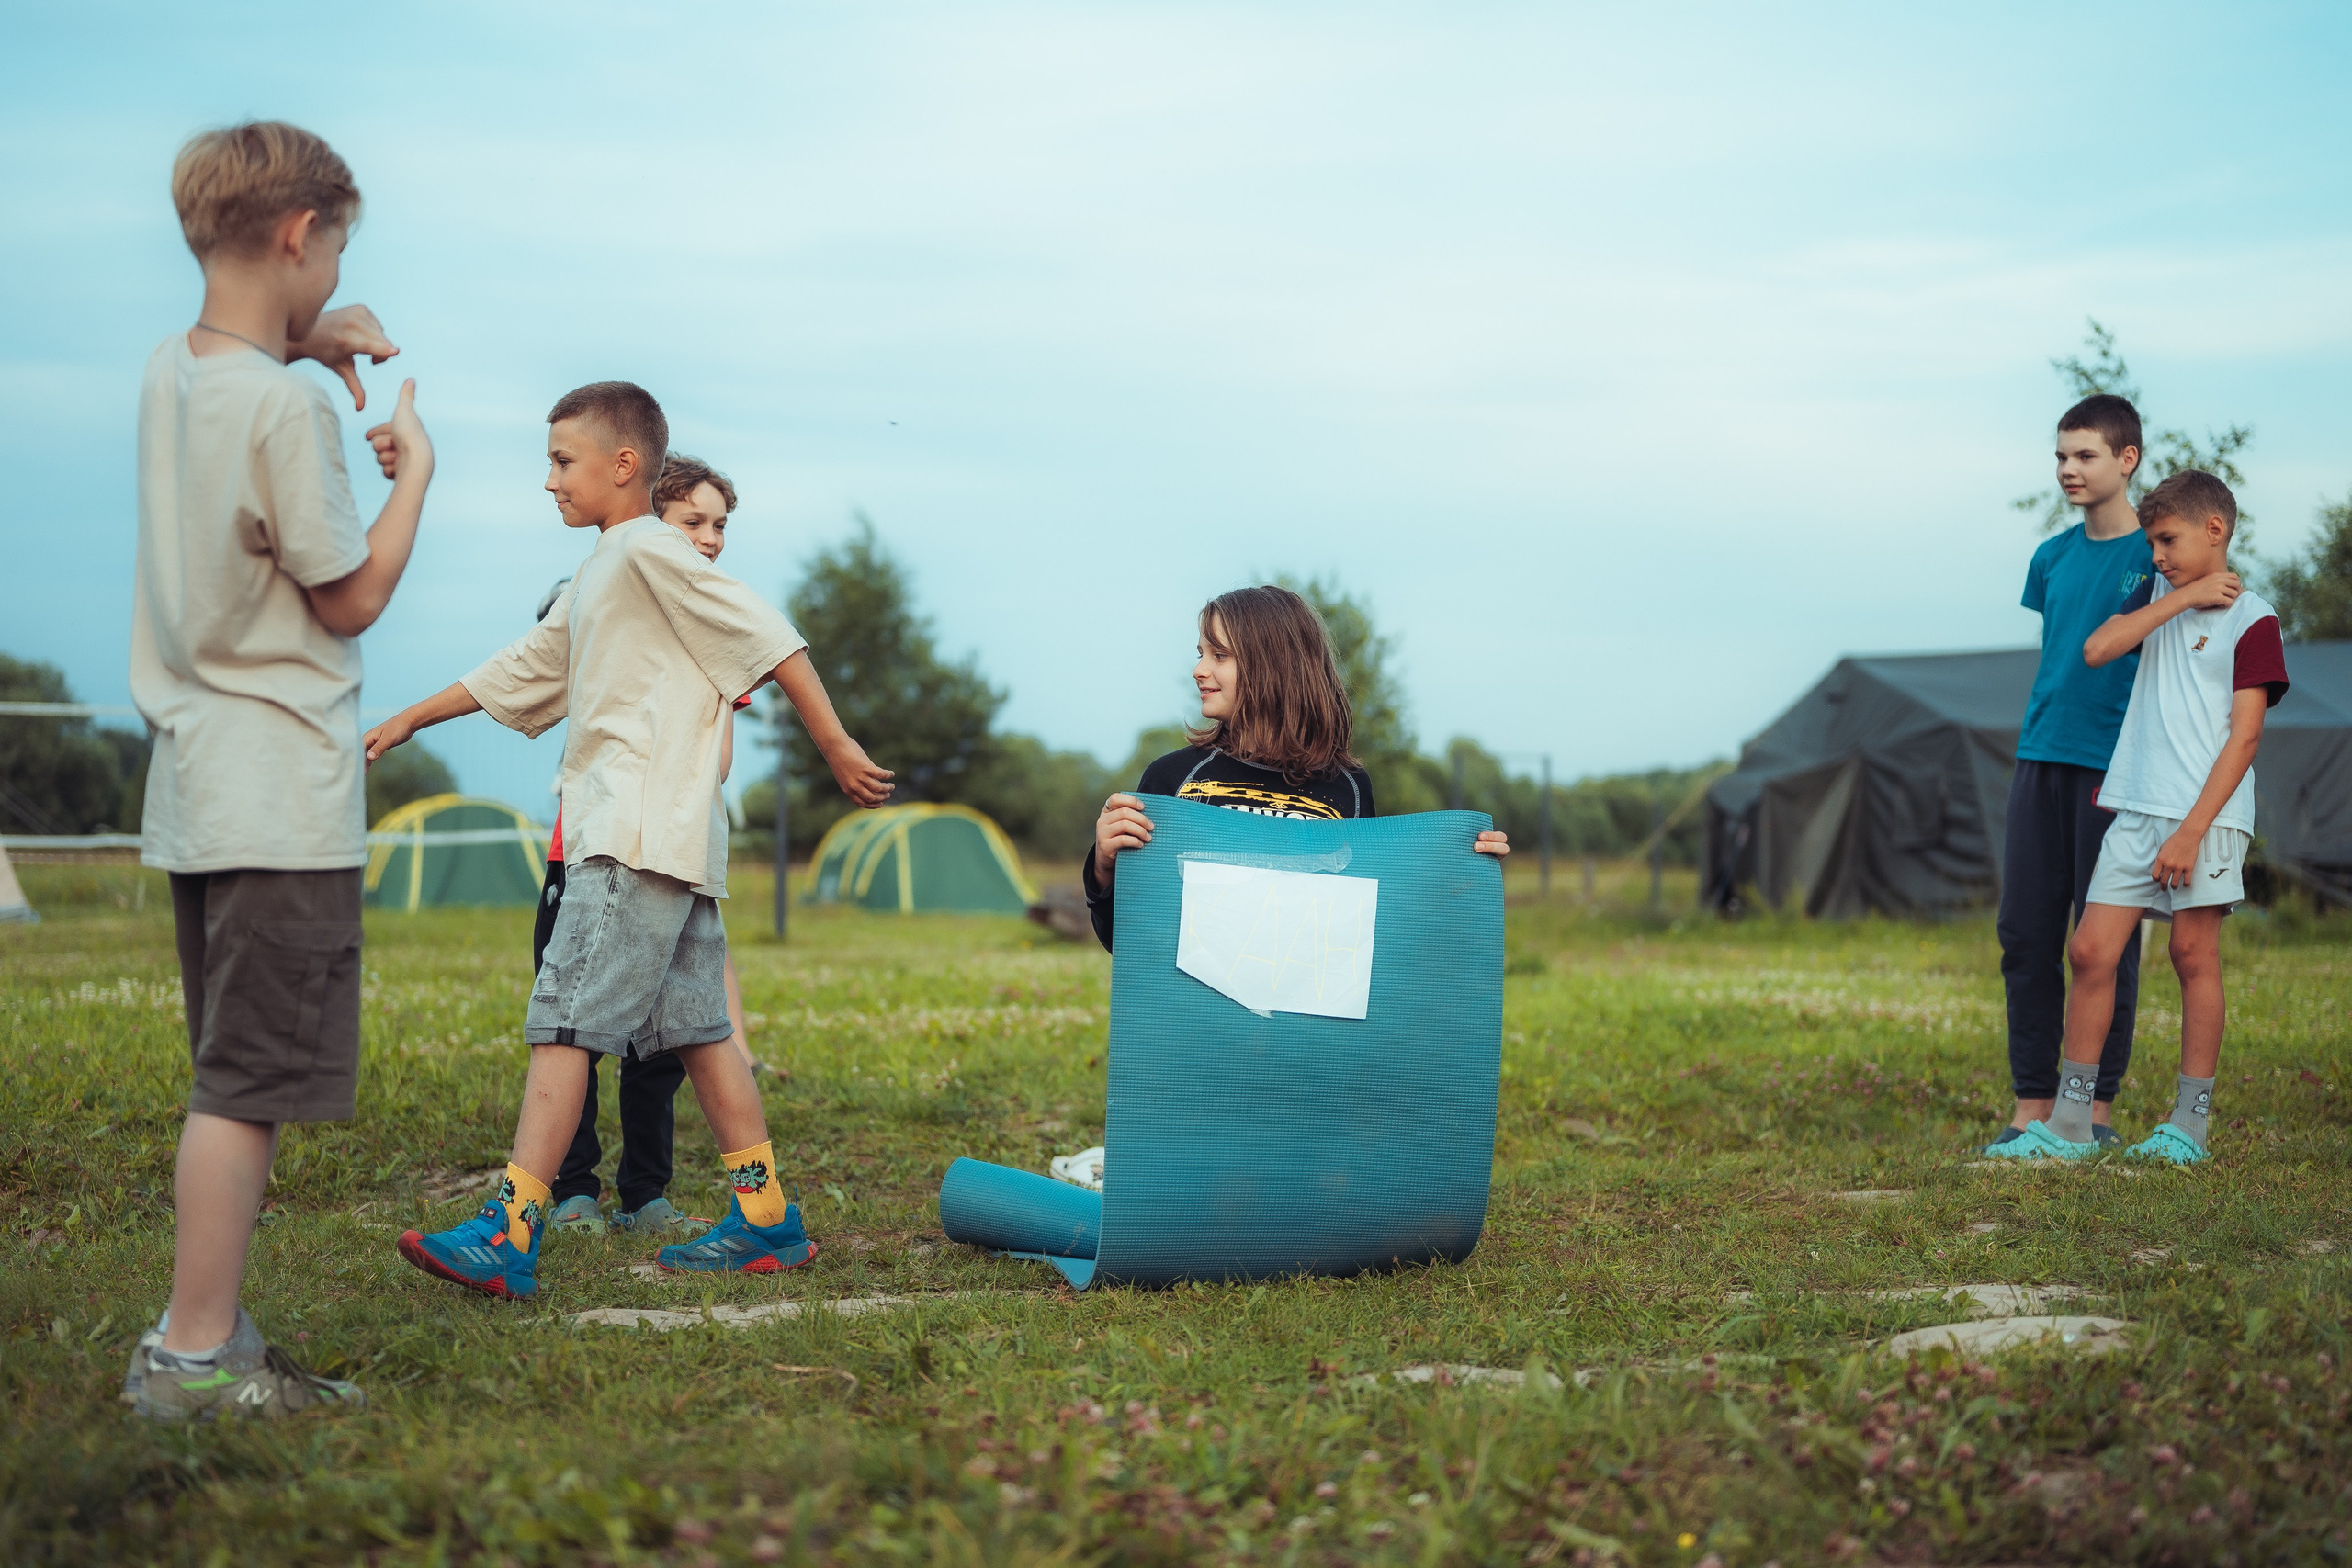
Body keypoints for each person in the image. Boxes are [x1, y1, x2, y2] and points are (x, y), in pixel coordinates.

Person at [366, 381, 892, 1296]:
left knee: (565, 1019)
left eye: (562, 462)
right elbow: (529, 667)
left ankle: (510, 1229)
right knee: (701, 1029)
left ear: (623, 467)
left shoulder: (649, 546)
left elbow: (765, 633)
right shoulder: (603, 570)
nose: (549, 482)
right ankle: (766, 1221)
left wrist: (837, 745)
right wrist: (413, 717)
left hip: (632, 834)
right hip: (675, 844)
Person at [122, 122, 434, 1419]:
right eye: (337, 245)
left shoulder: (173, 373)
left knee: (226, 1067)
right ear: (301, 234)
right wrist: (415, 473)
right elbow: (350, 594)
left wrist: (314, 330)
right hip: (283, 795)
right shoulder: (286, 407)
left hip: (198, 786)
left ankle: (217, 1336)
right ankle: (191, 1358)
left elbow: (242, 359)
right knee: (245, 1086)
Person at [1987, 470, 2286, 1163]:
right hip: (2135, 806)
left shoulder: (2255, 619)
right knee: (2090, 950)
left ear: (2214, 530)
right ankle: (2068, 1125)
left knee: (2191, 955)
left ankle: (2189, 1126)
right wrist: (2179, 597)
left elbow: (2245, 738)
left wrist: (2190, 831)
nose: (2156, 555)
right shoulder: (2159, 595)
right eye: (2152, 543)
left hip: (2204, 818)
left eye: (2167, 540)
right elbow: (2096, 649)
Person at [542, 455, 760, 1235]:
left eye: (719, 525)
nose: (709, 539)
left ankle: (649, 1193)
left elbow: (721, 763)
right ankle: (567, 1192)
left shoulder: (715, 631)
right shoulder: (599, 592)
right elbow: (537, 683)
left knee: (672, 1041)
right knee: (574, 1030)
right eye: (692, 522)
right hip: (588, 850)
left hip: (673, 852)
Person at [1083, 584, 1510, 951]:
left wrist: (1465, 868)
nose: (1199, 670)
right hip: (1198, 1032)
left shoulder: (1350, 787)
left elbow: (1369, 927)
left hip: (1303, 1040)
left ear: (1272, 665)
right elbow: (1129, 942)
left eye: (1219, 654)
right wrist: (1103, 867)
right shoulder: (1171, 779)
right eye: (1201, 654)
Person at [1985, 395, 2155, 1154]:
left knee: (2104, 939)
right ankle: (2031, 1104)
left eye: (2085, 455)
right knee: (2024, 932)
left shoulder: (2158, 556)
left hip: (2116, 769)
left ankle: (2096, 1108)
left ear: (2127, 460)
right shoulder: (2049, 557)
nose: (2067, 469)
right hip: (2038, 756)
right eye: (2060, 456)